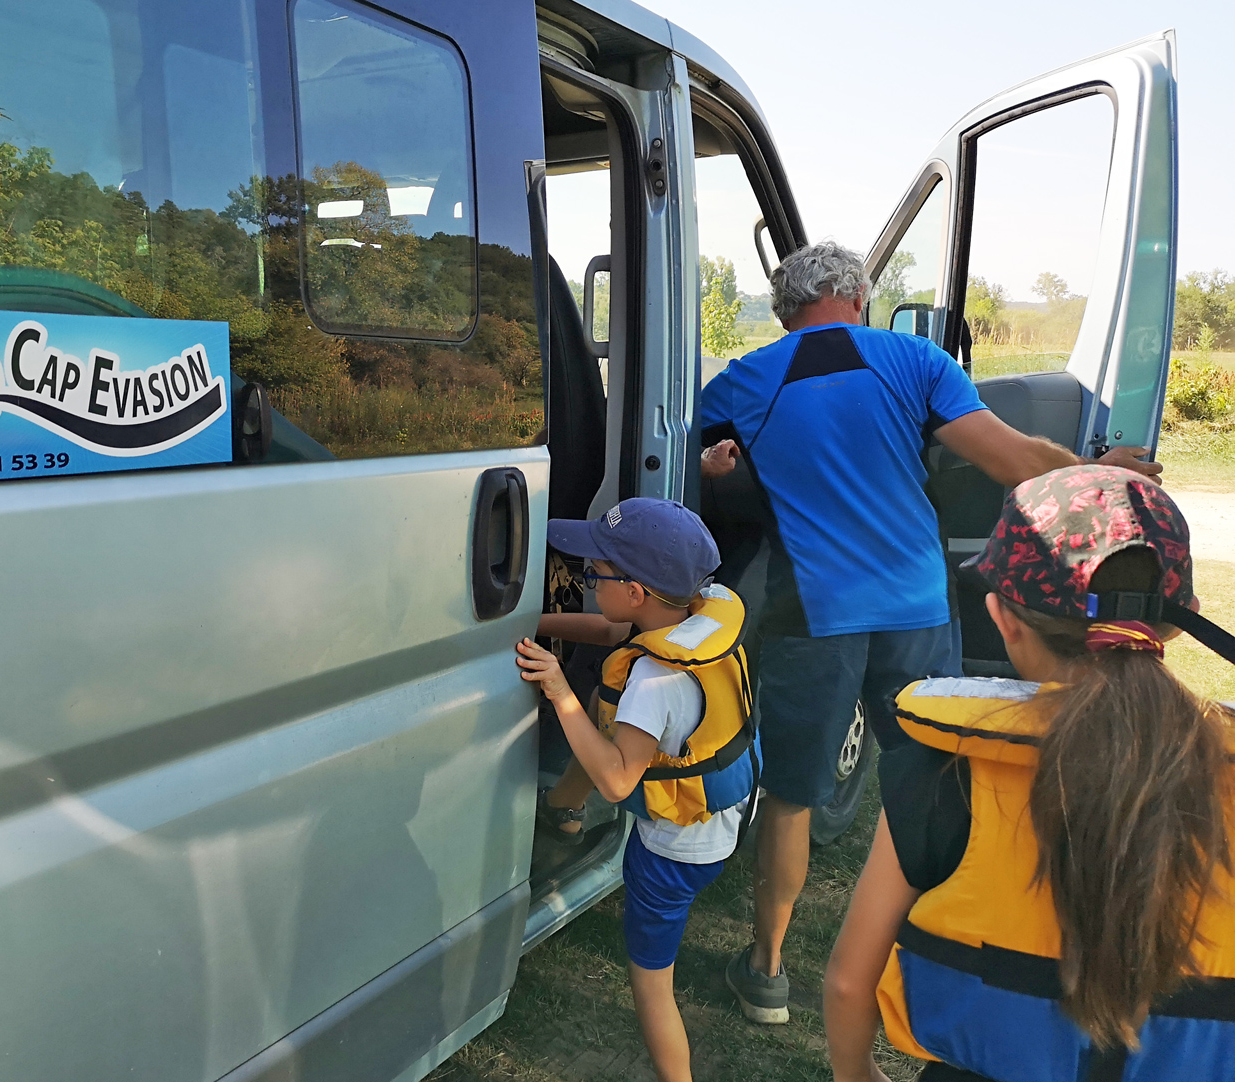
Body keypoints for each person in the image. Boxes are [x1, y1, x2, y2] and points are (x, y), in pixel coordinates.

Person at [697, 241, 1162, 1024]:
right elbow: (1015, 462)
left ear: (783, 312)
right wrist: (1101, 472)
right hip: (916, 605)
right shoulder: (913, 360)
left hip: (813, 613)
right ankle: (940, 949)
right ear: (856, 295)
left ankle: (767, 971)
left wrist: (716, 467)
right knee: (935, 779)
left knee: (792, 796)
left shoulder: (744, 379)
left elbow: (676, 458)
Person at [824, 465, 1235, 1082]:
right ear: (1182, 621)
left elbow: (849, 984)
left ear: (1003, 618)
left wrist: (858, 1075)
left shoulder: (946, 771)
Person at [518, 498, 760, 1082]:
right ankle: (563, 810)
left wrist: (559, 691)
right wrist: (527, 624)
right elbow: (608, 629)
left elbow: (617, 778)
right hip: (725, 820)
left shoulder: (653, 681)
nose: (586, 579)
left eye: (593, 574)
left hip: (673, 854)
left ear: (633, 592)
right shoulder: (688, 619)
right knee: (603, 705)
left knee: (652, 985)